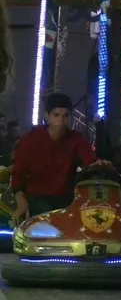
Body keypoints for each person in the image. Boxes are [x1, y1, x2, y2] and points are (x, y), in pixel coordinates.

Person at [11, 93, 103, 221]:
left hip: (66, 198)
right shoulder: (30, 140)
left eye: (66, 116)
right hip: (37, 198)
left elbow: (91, 161)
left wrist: (99, 165)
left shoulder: (76, 139)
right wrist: (21, 202)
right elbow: (18, 175)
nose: (61, 121)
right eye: (56, 115)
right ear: (47, 116)